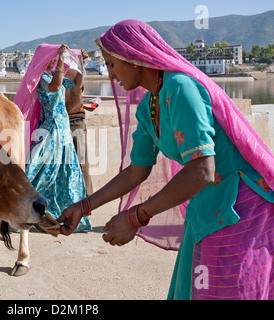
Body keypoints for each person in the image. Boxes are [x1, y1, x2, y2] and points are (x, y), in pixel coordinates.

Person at [58, 20, 274, 300]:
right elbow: (136, 171)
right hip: (206, 205)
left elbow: (201, 171)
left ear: (134, 58)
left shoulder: (180, 88)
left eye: (112, 64)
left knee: (229, 289)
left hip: (239, 206)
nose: (110, 75)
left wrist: (136, 217)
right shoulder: (151, 104)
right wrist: (83, 206)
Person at [14, 44, 92, 232]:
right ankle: (19, 208)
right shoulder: (40, 78)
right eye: (52, 57)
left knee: (65, 172)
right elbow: (55, 87)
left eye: (55, 58)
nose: (54, 60)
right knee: (38, 169)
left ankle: (61, 212)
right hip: (51, 130)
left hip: (63, 128)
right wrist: (62, 60)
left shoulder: (51, 74)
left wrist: (81, 64)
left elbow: (74, 85)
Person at [64, 50, 94, 196]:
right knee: (82, 164)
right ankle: (87, 200)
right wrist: (82, 64)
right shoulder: (75, 73)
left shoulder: (52, 76)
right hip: (77, 122)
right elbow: (79, 88)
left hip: (62, 125)